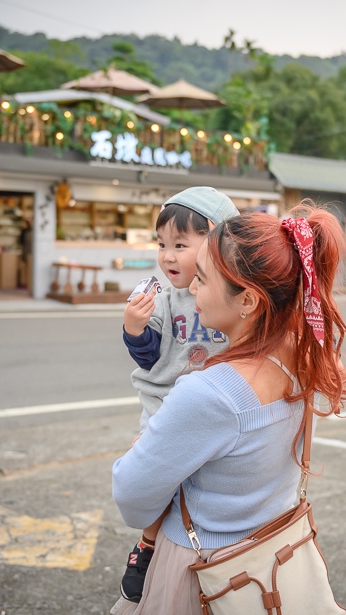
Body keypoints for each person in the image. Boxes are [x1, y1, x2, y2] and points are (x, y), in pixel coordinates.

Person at [111, 202, 346, 613]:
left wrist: (142, 448)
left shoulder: (209, 393)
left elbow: (132, 498)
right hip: (271, 558)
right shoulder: (300, 358)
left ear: (247, 300)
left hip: (205, 572)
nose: (191, 289)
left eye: (203, 279)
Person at [117, 186, 239, 603]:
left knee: (208, 476)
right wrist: (135, 326)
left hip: (217, 402)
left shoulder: (234, 293)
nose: (168, 256)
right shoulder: (163, 299)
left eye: (181, 245)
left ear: (219, 244)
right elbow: (149, 358)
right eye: (162, 244)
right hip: (166, 400)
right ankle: (148, 543)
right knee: (162, 474)